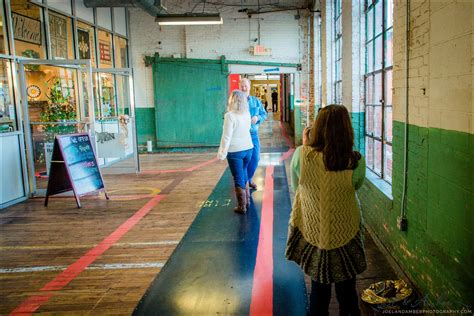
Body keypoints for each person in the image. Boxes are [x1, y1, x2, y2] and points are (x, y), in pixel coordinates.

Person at [286, 104, 367, 315]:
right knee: (348, 294)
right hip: (347, 231)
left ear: (317, 128)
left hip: (314, 231)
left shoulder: (301, 156)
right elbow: (354, 186)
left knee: (318, 294)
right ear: (346, 129)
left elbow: (298, 187)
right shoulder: (355, 161)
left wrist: (306, 148)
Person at [217, 90, 253, 213]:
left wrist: (222, 154)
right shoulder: (247, 113)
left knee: (238, 177)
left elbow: (226, 136)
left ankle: (242, 206)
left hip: (235, 151)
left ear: (231, 100)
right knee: (244, 173)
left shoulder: (229, 115)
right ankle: (247, 201)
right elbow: (248, 129)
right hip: (248, 148)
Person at [239, 78, 267, 191]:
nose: (244, 88)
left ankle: (248, 178)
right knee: (244, 159)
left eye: (246, 86)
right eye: (242, 86)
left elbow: (264, 114)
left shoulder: (256, 101)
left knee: (255, 158)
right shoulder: (237, 102)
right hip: (241, 135)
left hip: (253, 134)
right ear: (240, 87)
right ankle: (245, 182)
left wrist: (258, 117)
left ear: (249, 87)